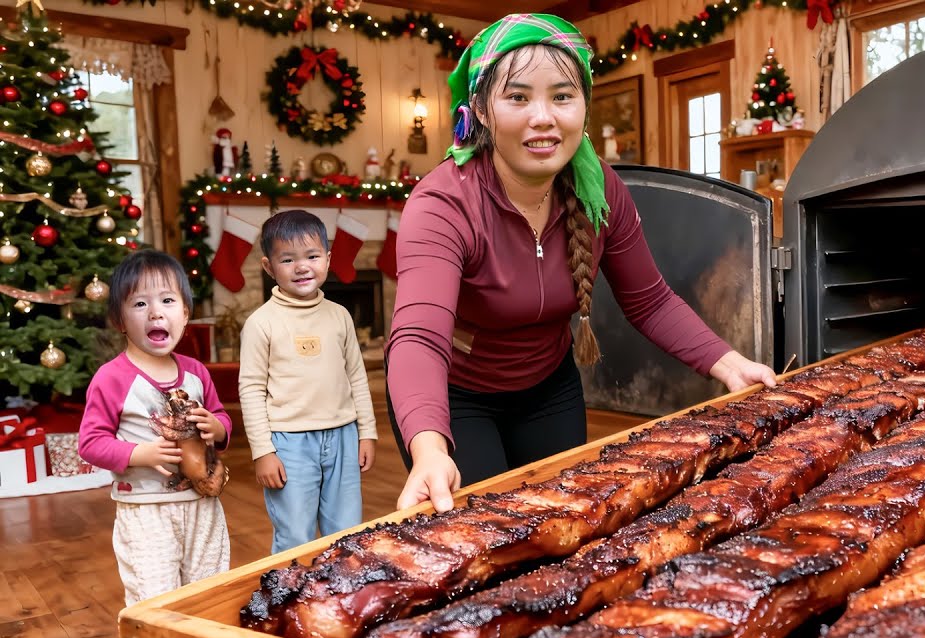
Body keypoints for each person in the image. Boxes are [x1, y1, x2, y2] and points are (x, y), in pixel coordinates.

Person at [386, 13, 777, 514]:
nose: (544, 117)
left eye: (562, 96)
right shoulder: (444, 203)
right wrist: (429, 449)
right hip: (457, 400)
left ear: (583, 107)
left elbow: (650, 300)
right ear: (481, 109)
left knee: (567, 527)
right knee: (482, 543)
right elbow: (418, 336)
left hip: (549, 389)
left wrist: (730, 364)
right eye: (518, 97)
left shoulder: (600, 191)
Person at [78, 248, 232, 638]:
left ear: (185, 314)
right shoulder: (113, 378)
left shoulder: (197, 373)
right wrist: (137, 454)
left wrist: (216, 428)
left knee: (207, 595)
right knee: (154, 600)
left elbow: (223, 421)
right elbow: (90, 442)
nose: (155, 312)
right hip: (146, 514)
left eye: (167, 300)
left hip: (203, 510)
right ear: (121, 320)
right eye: (139, 303)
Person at [238, 209, 377, 554]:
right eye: (288, 259)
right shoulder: (261, 324)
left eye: (312, 256)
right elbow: (251, 390)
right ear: (269, 267)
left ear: (327, 260)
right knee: (295, 534)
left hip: (343, 434)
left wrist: (367, 432)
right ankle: (289, 601)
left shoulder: (340, 316)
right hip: (289, 442)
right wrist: (263, 451)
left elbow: (357, 376)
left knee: (347, 533)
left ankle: (340, 598)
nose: (302, 267)